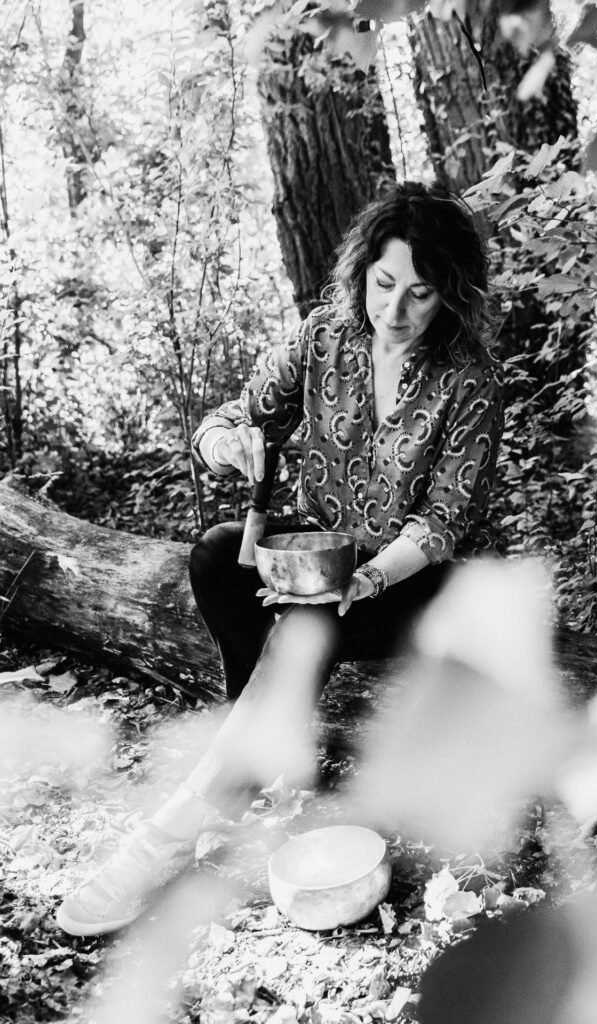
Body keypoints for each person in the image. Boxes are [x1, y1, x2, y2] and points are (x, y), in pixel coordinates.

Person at [56, 181, 505, 937]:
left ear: (450, 295)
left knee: (308, 624)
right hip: (313, 550)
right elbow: (230, 417)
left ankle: (168, 833)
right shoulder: (324, 336)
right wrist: (226, 445)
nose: (394, 311)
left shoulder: (470, 381)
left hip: (409, 576)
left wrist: (365, 578)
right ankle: (255, 750)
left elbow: (441, 522)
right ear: (363, 271)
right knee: (213, 554)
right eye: (383, 284)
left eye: (420, 294)